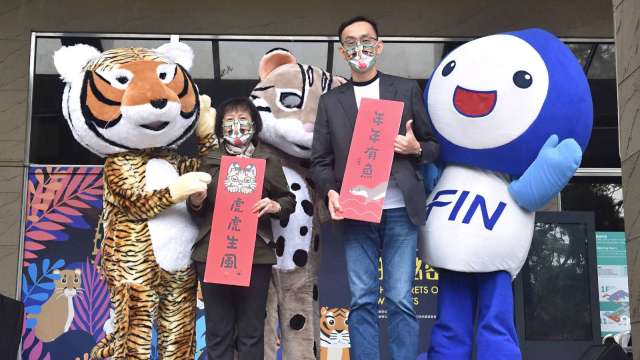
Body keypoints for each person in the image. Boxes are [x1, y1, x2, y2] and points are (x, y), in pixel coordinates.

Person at [310, 16, 440, 360]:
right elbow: (319, 160)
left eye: (366, 40)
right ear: (342, 51)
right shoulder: (330, 101)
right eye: (350, 43)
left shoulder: (405, 89)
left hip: (400, 210)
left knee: (400, 298)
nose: (359, 48)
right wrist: (330, 192)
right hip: (356, 211)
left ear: (379, 45)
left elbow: (433, 145)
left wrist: (416, 150)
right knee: (362, 299)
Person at [188, 97, 296, 360]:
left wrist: (274, 205)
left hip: (255, 256)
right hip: (213, 254)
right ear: (220, 127)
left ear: (254, 125)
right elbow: (196, 211)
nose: (236, 127)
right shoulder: (210, 160)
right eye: (229, 121)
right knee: (217, 332)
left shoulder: (267, 160)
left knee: (251, 332)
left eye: (243, 120)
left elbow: (288, 200)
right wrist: (195, 201)